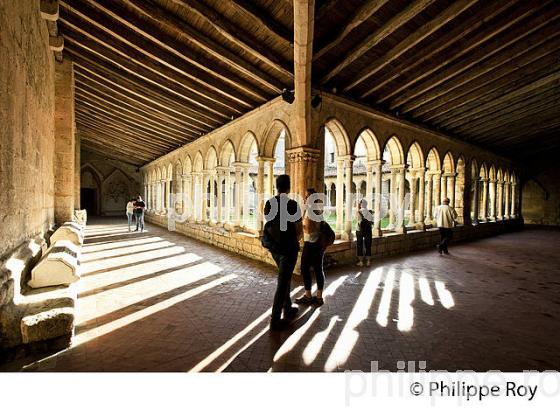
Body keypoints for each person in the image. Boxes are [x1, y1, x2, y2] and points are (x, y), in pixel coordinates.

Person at [263, 175, 302, 331]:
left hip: (274, 248)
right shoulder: (293, 205)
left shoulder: (269, 203)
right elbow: (299, 229)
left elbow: (268, 221)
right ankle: (275, 319)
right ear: (288, 187)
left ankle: (288, 307)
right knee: (283, 281)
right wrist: (295, 240)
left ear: (276, 187)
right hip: (288, 248)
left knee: (284, 277)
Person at [296, 188, 326, 307]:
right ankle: (319, 297)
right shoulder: (317, 209)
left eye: (307, 196)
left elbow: (309, 228)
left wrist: (301, 225)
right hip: (319, 244)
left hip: (311, 243)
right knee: (319, 269)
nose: (305, 198)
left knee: (304, 268)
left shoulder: (310, 210)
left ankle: (308, 295)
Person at [356, 199, 373, 266]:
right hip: (368, 230)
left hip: (360, 230)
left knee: (359, 245)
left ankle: (361, 262)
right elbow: (372, 221)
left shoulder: (359, 212)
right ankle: (368, 261)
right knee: (368, 245)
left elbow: (358, 221)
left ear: (360, 204)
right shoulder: (370, 212)